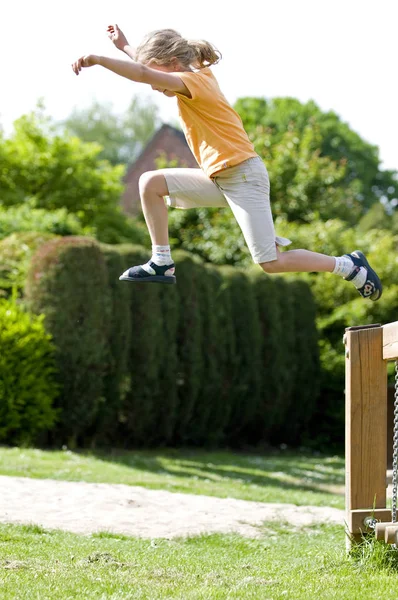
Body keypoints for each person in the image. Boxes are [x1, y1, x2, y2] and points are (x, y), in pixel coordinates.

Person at [71, 25, 382, 300]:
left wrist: (97, 59)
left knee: (270, 262)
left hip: (244, 177)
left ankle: (349, 266)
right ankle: (161, 261)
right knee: (149, 183)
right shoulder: (182, 77)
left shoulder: (194, 82)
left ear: (175, 65)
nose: (154, 86)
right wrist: (124, 46)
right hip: (220, 178)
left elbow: (142, 74)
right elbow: (147, 68)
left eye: (157, 76)